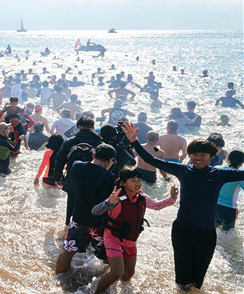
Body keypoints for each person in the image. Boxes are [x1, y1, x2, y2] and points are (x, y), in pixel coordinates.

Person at [121, 122, 244, 290]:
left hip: (207, 234)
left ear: (212, 156)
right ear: (189, 155)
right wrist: (134, 141)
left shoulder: (220, 174)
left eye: (203, 154)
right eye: (194, 154)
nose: (198, 157)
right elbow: (152, 159)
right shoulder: (183, 170)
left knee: (197, 281)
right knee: (183, 281)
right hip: (182, 231)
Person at [92, 167, 178, 293]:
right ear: (123, 183)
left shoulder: (142, 196)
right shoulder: (116, 197)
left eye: (139, 180)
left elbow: (156, 205)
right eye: (133, 181)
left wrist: (172, 198)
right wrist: (108, 203)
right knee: (117, 272)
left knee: (129, 274)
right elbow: (95, 211)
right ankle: (96, 292)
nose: (138, 183)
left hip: (130, 239)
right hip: (113, 238)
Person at [55, 144, 117, 274]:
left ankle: (58, 277)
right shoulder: (108, 176)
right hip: (97, 224)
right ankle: (105, 283)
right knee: (107, 256)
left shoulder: (76, 166)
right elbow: (103, 203)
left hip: (77, 218)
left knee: (68, 251)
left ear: (94, 154)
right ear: (111, 161)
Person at [215, 150, 244, 231]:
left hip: (213, 205)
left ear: (228, 158)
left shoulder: (217, 168)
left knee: (212, 230)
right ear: (242, 162)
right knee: (228, 234)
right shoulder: (240, 175)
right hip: (228, 209)